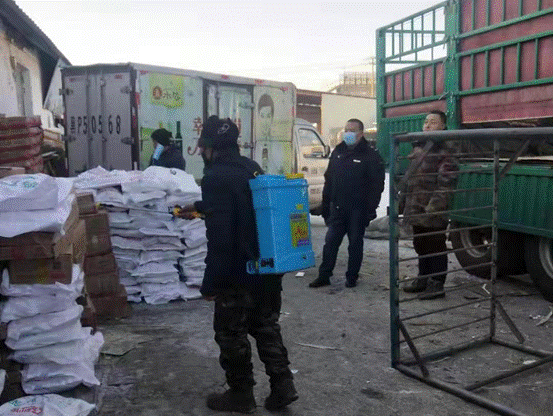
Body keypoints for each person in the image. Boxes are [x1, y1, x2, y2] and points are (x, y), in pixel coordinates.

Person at [179, 116, 298, 413]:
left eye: (202, 146)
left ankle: (241, 394)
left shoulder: (215, 177)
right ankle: (283, 385)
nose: (201, 151)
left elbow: (221, 237)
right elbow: (241, 205)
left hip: (237, 270)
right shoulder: (250, 167)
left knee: (230, 333)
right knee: (265, 326)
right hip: (266, 265)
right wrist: (201, 207)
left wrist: (211, 284)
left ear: (209, 147)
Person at [309, 118, 385, 289]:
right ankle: (324, 275)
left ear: (361, 133)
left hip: (358, 210)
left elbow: (377, 185)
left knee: (355, 244)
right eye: (346, 130)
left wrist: (370, 209)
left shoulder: (370, 155)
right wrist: (326, 205)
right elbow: (329, 179)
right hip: (338, 208)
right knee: (330, 243)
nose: (348, 133)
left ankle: (352, 277)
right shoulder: (338, 152)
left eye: (352, 130)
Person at [402, 110, 458, 300]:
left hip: (433, 210)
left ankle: (437, 283)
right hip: (416, 206)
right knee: (420, 244)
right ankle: (423, 278)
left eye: (433, 122)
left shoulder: (446, 150)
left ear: (443, 126)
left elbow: (446, 183)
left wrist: (433, 208)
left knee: (435, 245)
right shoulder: (419, 147)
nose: (427, 125)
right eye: (426, 121)